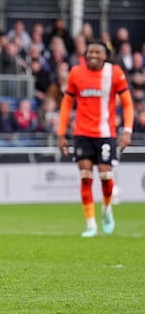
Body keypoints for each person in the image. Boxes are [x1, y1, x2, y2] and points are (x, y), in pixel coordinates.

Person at [57, 40, 134, 237]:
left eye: (97, 52)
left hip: (105, 133)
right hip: (82, 133)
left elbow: (127, 103)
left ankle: (107, 210)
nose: (93, 55)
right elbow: (66, 104)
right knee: (85, 178)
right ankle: (90, 224)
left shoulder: (114, 73)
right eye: (90, 51)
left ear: (104, 55)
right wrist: (61, 133)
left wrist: (127, 130)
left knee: (106, 176)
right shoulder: (76, 73)